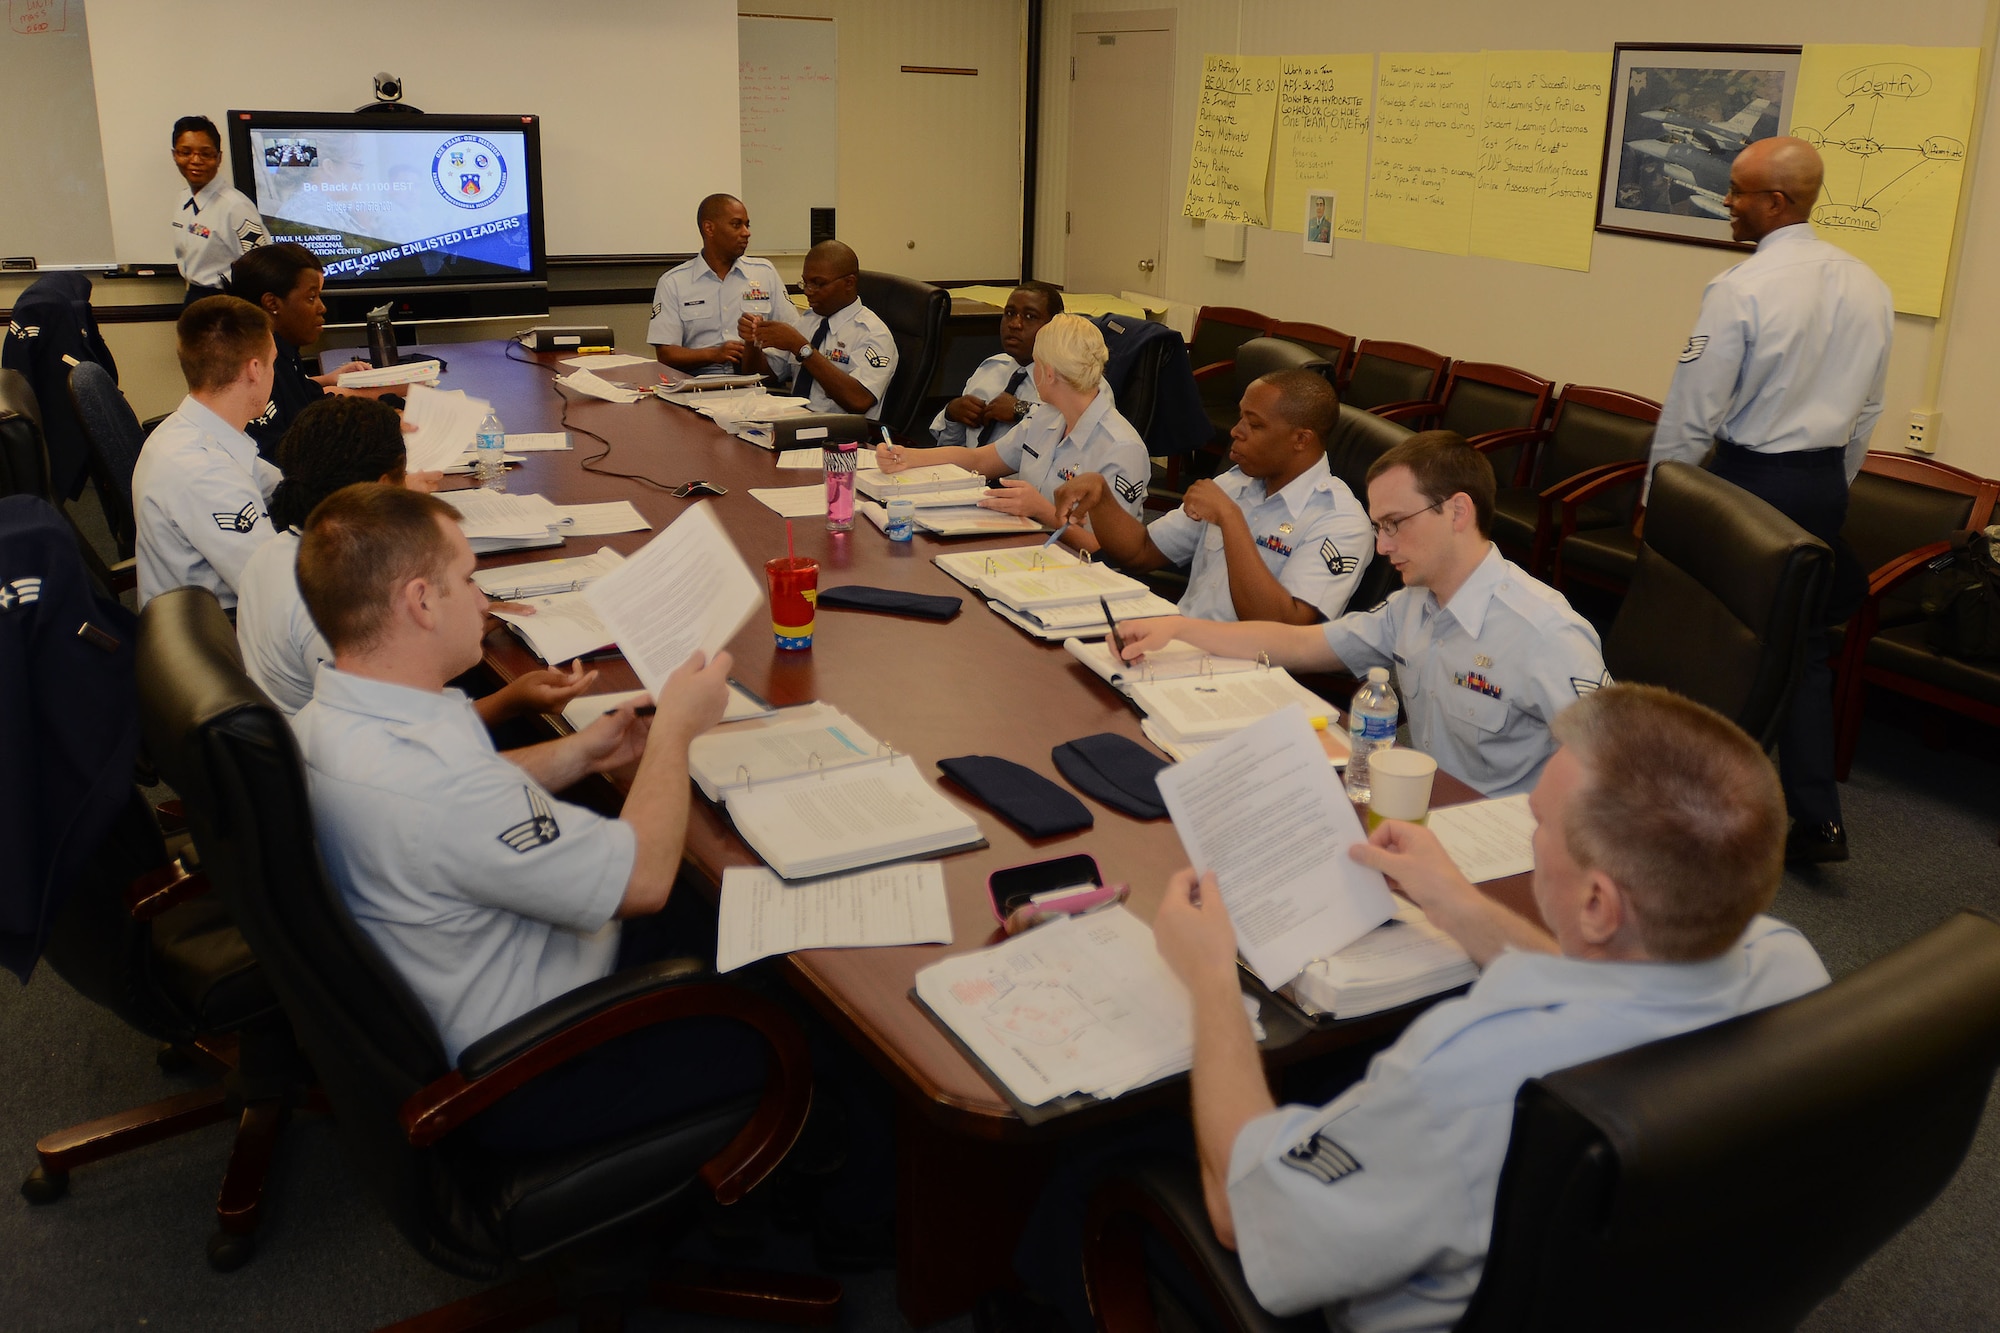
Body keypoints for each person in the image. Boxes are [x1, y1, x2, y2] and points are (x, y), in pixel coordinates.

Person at [1142, 684, 1830, 1333]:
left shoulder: (1462, 1075)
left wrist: (1209, 973)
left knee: (1103, 1164)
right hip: (1657, 1286)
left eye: (1538, 821)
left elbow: (1239, 1208)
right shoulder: (1792, 967)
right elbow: (1611, 985)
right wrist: (1458, 902)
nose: (1530, 836)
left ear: (1597, 905)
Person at [290, 483, 768, 1152]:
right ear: (420, 601)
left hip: (474, 990)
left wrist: (579, 753)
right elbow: (643, 880)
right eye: (469, 578)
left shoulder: (327, 723)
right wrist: (674, 734)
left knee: (714, 911)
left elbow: (453, 803)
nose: (484, 600)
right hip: (540, 1065)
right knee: (790, 1011)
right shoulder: (439, 786)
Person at [1649, 135, 1894, 865]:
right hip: (1819, 481)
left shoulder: (1740, 289)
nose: (1725, 202)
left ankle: (1699, 805)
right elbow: (1869, 411)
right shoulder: (1868, 285)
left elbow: (1694, 409)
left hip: (1748, 478)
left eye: (1736, 190)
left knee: (1718, 641)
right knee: (1806, 649)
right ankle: (1817, 818)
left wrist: (1660, 497)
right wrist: (1828, 489)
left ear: (1776, 203)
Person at [1117, 432, 1604, 797]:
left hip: (1499, 841)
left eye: (1394, 524)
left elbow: (1617, 773)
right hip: (1421, 811)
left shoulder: (1544, 632)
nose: (1382, 545)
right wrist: (1179, 630)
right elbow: (1300, 644)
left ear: (1458, 512)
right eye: (1377, 526)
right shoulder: (1413, 605)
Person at [236, 397, 596, 722]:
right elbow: (406, 734)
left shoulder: (275, 551)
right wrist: (511, 700)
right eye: (403, 476)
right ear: (381, 487)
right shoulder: (339, 601)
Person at [1053, 369, 1372, 624]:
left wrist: (1230, 519)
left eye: (1255, 425)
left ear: (1301, 439)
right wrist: (1103, 498)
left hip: (1251, 678)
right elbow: (1141, 552)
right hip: (1182, 641)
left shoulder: (1340, 521)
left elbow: (1281, 626)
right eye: (1241, 417)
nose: (1236, 431)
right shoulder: (1236, 484)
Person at [876, 313, 1149, 540]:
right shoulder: (1047, 417)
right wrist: (909, 457)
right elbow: (979, 460)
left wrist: (1043, 511)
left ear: (1048, 373)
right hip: (1032, 548)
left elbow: (1110, 549)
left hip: (1087, 574)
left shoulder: (1121, 447)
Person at [131, 296, 282, 610]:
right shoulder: (203, 471)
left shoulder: (195, 429)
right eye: (273, 363)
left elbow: (282, 486)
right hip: (222, 636)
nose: (273, 374)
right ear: (255, 369)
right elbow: (276, 592)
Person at [228, 243, 404, 460]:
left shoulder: (282, 350)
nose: (322, 307)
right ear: (272, 303)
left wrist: (383, 410)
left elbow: (309, 402)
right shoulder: (260, 365)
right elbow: (290, 455)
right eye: (311, 298)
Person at [740, 239, 897, 419]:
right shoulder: (808, 321)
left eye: (818, 283)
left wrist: (802, 349)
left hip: (840, 435)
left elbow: (859, 400)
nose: (808, 291)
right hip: (794, 422)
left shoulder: (872, 333)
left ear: (849, 283)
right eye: (805, 282)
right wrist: (751, 341)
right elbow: (763, 377)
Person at [647, 194, 793, 376]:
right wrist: (713, 354)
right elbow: (666, 354)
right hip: (699, 386)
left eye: (747, 225)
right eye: (736, 224)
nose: (746, 232)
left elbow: (792, 334)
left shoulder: (764, 272)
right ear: (709, 228)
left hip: (757, 382)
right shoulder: (674, 282)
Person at [930, 283, 1063, 450]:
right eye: (1009, 313)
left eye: (1030, 316)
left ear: (1055, 325)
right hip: (969, 472)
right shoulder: (989, 370)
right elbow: (949, 449)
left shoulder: (1069, 380)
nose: (1015, 324)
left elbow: (1074, 435)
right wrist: (952, 414)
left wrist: (1021, 411)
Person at [169, 115, 267, 306]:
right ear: (175, 155)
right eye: (186, 152)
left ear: (219, 157)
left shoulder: (235, 206)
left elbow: (261, 266)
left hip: (227, 301)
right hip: (195, 296)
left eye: (205, 154)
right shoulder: (184, 200)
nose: (195, 160)